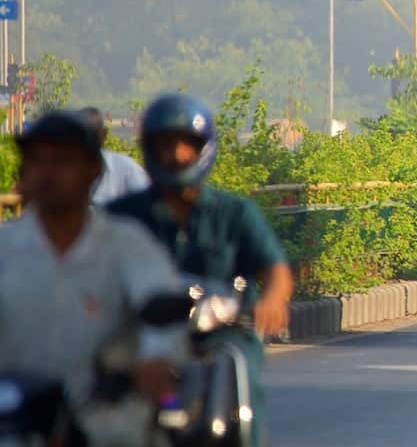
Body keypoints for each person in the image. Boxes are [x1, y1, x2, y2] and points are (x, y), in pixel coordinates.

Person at [105, 94, 292, 445]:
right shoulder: (122, 216)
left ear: (203, 149)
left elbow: (275, 269)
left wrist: (272, 300)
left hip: (219, 335)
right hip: (141, 334)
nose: (175, 154)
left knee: (242, 373)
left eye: (186, 145)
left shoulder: (234, 213)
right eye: (165, 145)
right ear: (150, 148)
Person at [0, 111, 186, 445]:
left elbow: (159, 302)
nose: (48, 174)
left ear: (93, 170)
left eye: (62, 161)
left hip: (106, 418)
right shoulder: (6, 248)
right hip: (18, 420)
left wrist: (155, 355)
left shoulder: (127, 245)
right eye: (37, 161)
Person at [78, 106, 149, 205]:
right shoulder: (62, 173)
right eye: (80, 135)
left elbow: (147, 204)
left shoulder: (126, 169)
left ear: (104, 134)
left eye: (91, 134)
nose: (86, 141)